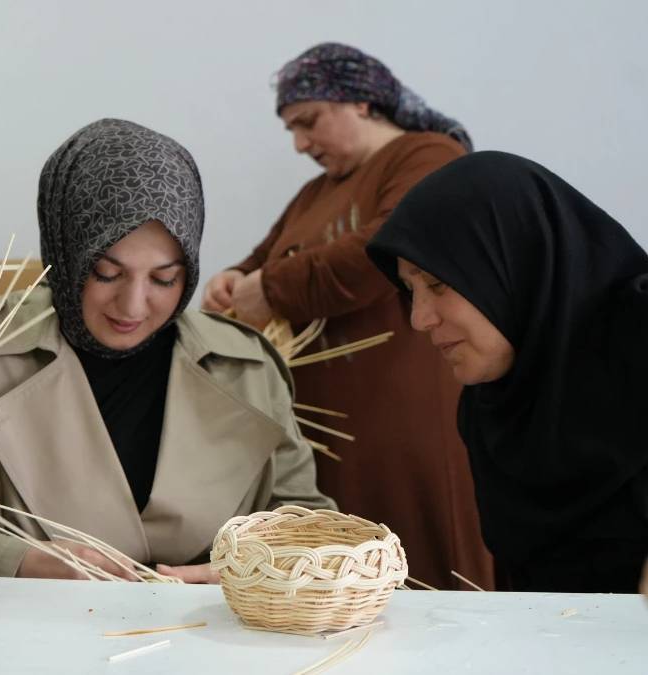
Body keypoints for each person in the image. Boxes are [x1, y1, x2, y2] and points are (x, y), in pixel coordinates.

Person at [0, 118, 332, 583]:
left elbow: (308, 528)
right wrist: (17, 562)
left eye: (164, 279)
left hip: (211, 635)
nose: (133, 305)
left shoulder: (246, 366)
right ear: (67, 249)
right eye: (106, 273)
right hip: (19, 633)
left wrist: (240, 573)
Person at [200, 42, 491, 590]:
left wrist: (270, 287)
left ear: (361, 102)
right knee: (346, 579)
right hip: (331, 430)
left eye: (308, 122)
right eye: (291, 129)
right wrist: (231, 282)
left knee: (427, 564)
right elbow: (266, 257)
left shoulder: (429, 156)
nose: (300, 143)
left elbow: (379, 251)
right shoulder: (316, 192)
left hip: (405, 417)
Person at [366, 151, 648, 593]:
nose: (419, 319)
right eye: (410, 291)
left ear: (514, 261)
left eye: (437, 284)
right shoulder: (492, 407)